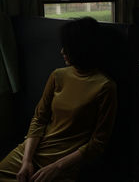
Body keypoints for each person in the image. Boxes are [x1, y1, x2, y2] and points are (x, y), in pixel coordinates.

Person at [0, 17, 117, 182]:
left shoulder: (105, 87)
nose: (62, 51)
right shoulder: (58, 75)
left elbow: (98, 143)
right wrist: (26, 161)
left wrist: (57, 167)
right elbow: (39, 119)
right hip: (33, 149)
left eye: (67, 48)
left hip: (66, 160)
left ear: (82, 49)